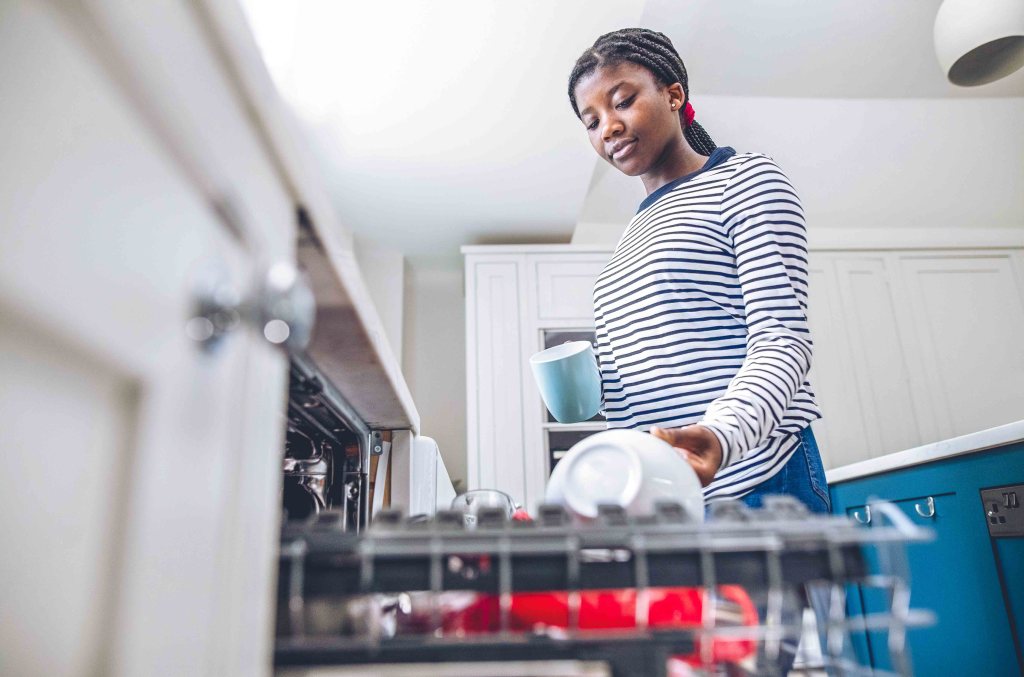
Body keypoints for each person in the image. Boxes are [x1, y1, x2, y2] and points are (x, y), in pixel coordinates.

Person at [567, 28, 830, 516]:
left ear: (673, 96)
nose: (608, 127)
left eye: (622, 102)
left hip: (754, 479)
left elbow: (783, 340)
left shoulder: (744, 180)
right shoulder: (631, 235)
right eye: (592, 121)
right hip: (663, 498)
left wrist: (718, 436)